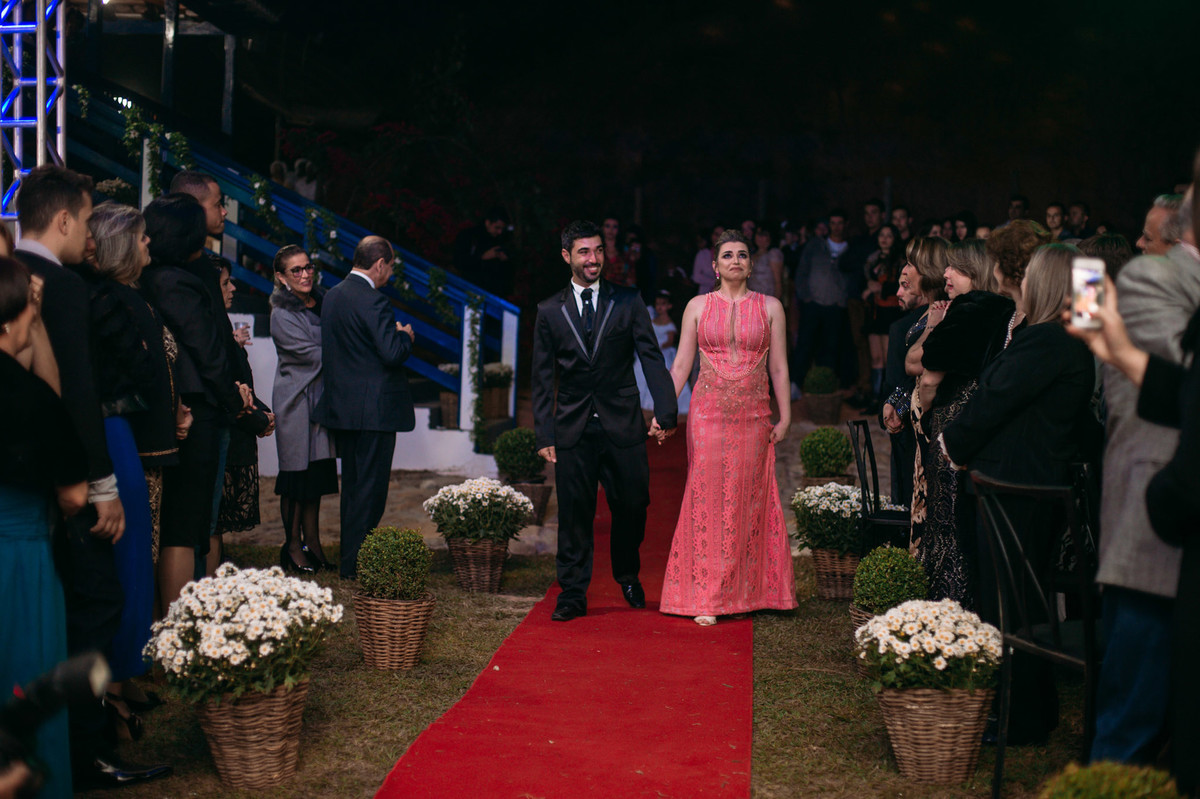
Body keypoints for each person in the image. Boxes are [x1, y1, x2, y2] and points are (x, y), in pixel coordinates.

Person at [12, 165, 150, 788]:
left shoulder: (13, 273)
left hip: (24, 478)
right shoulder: (62, 286)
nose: (92, 235)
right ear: (64, 219)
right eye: (89, 220)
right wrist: (102, 486)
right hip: (67, 473)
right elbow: (77, 395)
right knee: (97, 602)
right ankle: (88, 748)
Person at [941, 243, 1099, 747]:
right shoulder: (1056, 337)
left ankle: (1021, 717)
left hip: (1017, 487)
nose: (1023, 281)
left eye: (1030, 275)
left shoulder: (1048, 340)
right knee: (1017, 601)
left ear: (1047, 284)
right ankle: (1030, 709)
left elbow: (996, 398)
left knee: (1010, 604)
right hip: (1024, 484)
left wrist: (952, 444)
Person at [1090, 187, 1199, 765]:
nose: (1138, 244)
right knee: (1130, 723)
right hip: (1155, 522)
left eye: (1148, 236)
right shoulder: (1148, 279)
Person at [531, 220, 677, 622]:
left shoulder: (628, 301)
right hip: (572, 425)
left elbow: (651, 356)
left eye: (597, 250)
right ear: (567, 256)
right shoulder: (549, 310)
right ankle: (572, 593)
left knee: (634, 504)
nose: (593, 258)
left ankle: (626, 573)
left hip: (623, 422)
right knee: (574, 513)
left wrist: (666, 411)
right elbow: (541, 377)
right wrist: (544, 432)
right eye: (584, 251)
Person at [82, 202, 183, 742]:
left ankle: (125, 676)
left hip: (140, 437)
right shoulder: (109, 300)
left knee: (140, 559)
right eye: (140, 238)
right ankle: (116, 685)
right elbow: (138, 369)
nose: (148, 245)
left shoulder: (130, 296)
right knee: (130, 560)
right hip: (127, 441)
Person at [659, 231, 796, 625]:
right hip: (707, 416)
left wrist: (785, 416)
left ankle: (752, 591)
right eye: (727, 255)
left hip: (754, 416)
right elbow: (681, 366)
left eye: (742, 255)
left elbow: (779, 367)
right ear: (715, 266)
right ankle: (706, 595)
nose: (735, 260)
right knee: (707, 498)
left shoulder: (771, 307)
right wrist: (665, 411)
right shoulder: (697, 306)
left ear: (751, 265)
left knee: (748, 500)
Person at [0, 257, 89, 798]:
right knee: (25, 673)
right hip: (19, 558)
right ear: (14, 320)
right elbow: (75, 494)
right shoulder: (31, 396)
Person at [139, 194, 252, 609]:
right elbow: (207, 349)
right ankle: (178, 622)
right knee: (184, 524)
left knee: (186, 521)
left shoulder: (161, 276)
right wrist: (238, 402)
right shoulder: (174, 281)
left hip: (183, 405)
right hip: (192, 408)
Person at [908, 233, 1014, 609]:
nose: (946, 274)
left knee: (946, 524)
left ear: (974, 271)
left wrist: (925, 409)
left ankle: (948, 608)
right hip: (980, 426)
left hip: (952, 423)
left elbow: (929, 373)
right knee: (968, 524)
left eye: (954, 268)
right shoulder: (1005, 309)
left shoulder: (969, 309)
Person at [315, 235, 415, 578]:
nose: (391, 274)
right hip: (374, 412)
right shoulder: (375, 301)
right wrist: (404, 337)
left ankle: (351, 562)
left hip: (343, 408)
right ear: (380, 264)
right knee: (371, 492)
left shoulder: (332, 296)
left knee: (354, 490)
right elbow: (392, 352)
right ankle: (358, 565)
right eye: (391, 267)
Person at [269, 245, 338, 573]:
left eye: (308, 267)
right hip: (296, 402)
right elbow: (311, 355)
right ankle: (292, 547)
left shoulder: (323, 303)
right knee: (296, 479)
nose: (305, 274)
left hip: (321, 402)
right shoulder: (281, 314)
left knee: (315, 479)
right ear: (281, 277)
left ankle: (313, 544)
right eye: (295, 270)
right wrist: (348, 349)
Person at [213, 258, 274, 545]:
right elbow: (228, 389)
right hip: (225, 433)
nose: (233, 288)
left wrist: (263, 413)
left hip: (239, 427)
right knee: (213, 525)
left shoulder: (221, 325)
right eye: (226, 283)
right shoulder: (212, 330)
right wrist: (260, 419)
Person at [880, 252, 937, 506]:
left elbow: (902, 376)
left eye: (905, 286)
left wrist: (893, 405)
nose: (898, 293)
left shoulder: (903, 327)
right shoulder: (916, 322)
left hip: (918, 426)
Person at [792, 208, 853, 392]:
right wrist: (806, 297)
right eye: (833, 223)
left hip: (836, 306)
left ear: (845, 225)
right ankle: (796, 385)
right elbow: (802, 271)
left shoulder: (850, 249)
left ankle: (825, 388)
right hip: (813, 304)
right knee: (804, 345)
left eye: (839, 223)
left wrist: (843, 300)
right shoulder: (815, 245)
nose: (836, 227)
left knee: (830, 348)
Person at [862, 223, 905, 410]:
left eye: (889, 235)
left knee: (889, 359)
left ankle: (889, 401)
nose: (884, 239)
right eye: (882, 235)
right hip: (875, 312)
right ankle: (875, 398)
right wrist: (870, 288)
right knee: (876, 358)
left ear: (894, 239)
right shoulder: (872, 259)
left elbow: (902, 285)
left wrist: (881, 287)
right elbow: (866, 281)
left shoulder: (900, 261)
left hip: (892, 312)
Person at [635, 290, 691, 416]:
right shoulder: (652, 320)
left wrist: (657, 347)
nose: (659, 307)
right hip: (651, 352)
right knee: (639, 371)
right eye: (657, 304)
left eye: (663, 304)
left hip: (663, 354)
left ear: (669, 306)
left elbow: (669, 342)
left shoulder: (670, 324)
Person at [452, 207, 513, 298]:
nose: (500, 232)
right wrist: (482, 257)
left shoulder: (502, 241)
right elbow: (459, 262)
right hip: (468, 289)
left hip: (490, 294)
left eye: (502, 229)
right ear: (488, 223)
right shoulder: (469, 236)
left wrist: (505, 261)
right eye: (497, 227)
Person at [748, 224, 784, 299]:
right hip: (751, 299)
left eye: (763, 235)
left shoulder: (773, 253)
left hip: (767, 299)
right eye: (758, 234)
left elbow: (778, 282)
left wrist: (775, 302)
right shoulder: (752, 254)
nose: (759, 237)